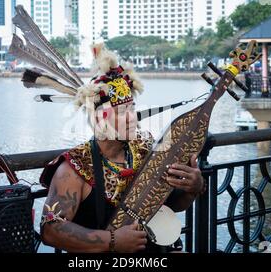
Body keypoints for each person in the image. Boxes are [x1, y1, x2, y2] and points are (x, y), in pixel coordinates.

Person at [38, 44, 205, 253]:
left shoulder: (143, 149)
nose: (132, 117)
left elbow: (170, 205)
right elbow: (50, 230)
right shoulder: (74, 168)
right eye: (122, 111)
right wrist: (112, 240)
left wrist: (192, 188)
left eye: (132, 108)